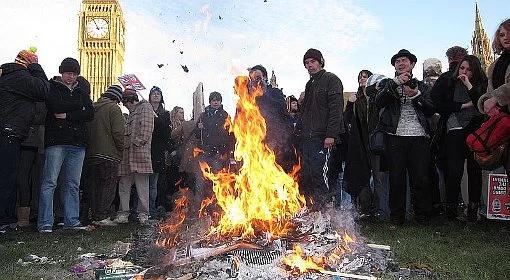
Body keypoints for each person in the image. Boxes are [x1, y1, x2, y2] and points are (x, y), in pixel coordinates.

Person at [375, 49, 435, 225]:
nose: (401, 63)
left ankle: (422, 216)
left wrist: (415, 95)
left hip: (419, 137)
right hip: (395, 137)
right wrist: (394, 84)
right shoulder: (388, 84)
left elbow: (431, 109)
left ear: (412, 64)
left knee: (421, 178)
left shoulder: (422, 86)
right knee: (396, 178)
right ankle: (396, 217)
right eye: (397, 61)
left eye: (404, 60)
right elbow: (378, 102)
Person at [38, 57, 94, 233]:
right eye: (68, 73)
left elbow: (90, 113)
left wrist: (68, 114)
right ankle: (45, 222)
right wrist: (79, 109)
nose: (70, 76)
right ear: (62, 73)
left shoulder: (82, 91)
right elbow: (55, 106)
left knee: (72, 184)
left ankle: (71, 220)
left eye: (74, 73)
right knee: (50, 182)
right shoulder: (52, 87)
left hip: (78, 144)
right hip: (56, 141)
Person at [0, 49, 48, 233]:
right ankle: (4, 220)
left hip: (8, 131)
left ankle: (8, 219)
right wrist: (36, 66)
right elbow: (44, 90)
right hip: (10, 132)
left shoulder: (7, 75)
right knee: (7, 177)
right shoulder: (20, 77)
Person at [298, 48, 344, 208]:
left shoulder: (331, 79)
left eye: (313, 61)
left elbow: (336, 110)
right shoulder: (310, 84)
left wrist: (330, 135)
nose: (310, 65)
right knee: (309, 175)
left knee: (322, 175)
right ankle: (315, 210)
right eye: (306, 63)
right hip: (308, 139)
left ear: (321, 62)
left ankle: (329, 211)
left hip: (323, 138)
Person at [84, 85, 125, 226]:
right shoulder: (114, 108)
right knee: (107, 186)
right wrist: (121, 149)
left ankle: (93, 214)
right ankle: (102, 216)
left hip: (91, 154)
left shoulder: (93, 107)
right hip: (109, 154)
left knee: (93, 186)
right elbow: (118, 133)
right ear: (117, 98)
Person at [115, 88, 154, 225]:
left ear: (130, 100)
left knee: (142, 186)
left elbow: (146, 129)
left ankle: (143, 214)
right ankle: (123, 213)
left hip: (139, 152)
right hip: (127, 154)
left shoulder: (145, 108)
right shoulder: (132, 112)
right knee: (124, 184)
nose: (124, 105)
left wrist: (137, 142)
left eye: (125, 102)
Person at [343, 70, 380, 217]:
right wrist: (350, 104)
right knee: (361, 175)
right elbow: (347, 119)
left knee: (379, 177)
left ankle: (380, 208)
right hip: (360, 142)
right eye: (359, 77)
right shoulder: (355, 98)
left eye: (365, 77)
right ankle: (364, 208)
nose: (362, 79)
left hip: (377, 141)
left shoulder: (376, 96)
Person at [478, 19, 510, 174]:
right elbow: (490, 91)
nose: (506, 37)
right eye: (502, 34)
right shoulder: (495, 65)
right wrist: (485, 101)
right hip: (504, 125)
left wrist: (496, 98)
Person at [195, 92, 234, 212]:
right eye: (213, 100)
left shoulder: (225, 115)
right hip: (205, 153)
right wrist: (199, 127)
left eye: (218, 100)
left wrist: (225, 152)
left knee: (217, 181)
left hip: (218, 155)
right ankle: (199, 208)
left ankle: (216, 208)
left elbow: (231, 136)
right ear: (210, 102)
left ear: (220, 102)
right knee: (200, 181)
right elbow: (197, 135)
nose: (215, 102)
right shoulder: (203, 115)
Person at [248, 65, 291, 169]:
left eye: (258, 78)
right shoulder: (249, 99)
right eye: (253, 79)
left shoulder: (275, 92)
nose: (256, 81)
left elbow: (281, 108)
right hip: (258, 143)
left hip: (277, 143)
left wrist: (263, 95)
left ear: (265, 77)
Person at [148, 86, 172, 219]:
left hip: (157, 150)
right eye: (153, 94)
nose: (156, 96)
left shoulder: (165, 114)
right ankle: (142, 209)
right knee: (142, 182)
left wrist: (156, 119)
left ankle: (153, 208)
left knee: (155, 182)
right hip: (145, 149)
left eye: (158, 94)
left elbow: (166, 133)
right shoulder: (145, 110)